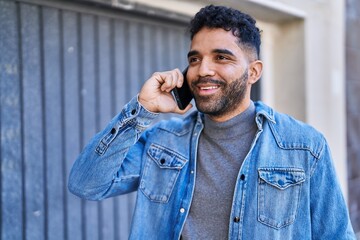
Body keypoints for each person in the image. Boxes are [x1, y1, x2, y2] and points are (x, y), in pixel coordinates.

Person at [68, 5, 356, 240]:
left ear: (253, 72)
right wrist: (143, 110)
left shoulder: (304, 146)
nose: (203, 70)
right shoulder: (163, 141)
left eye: (221, 57)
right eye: (194, 59)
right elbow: (87, 184)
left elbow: (335, 235)